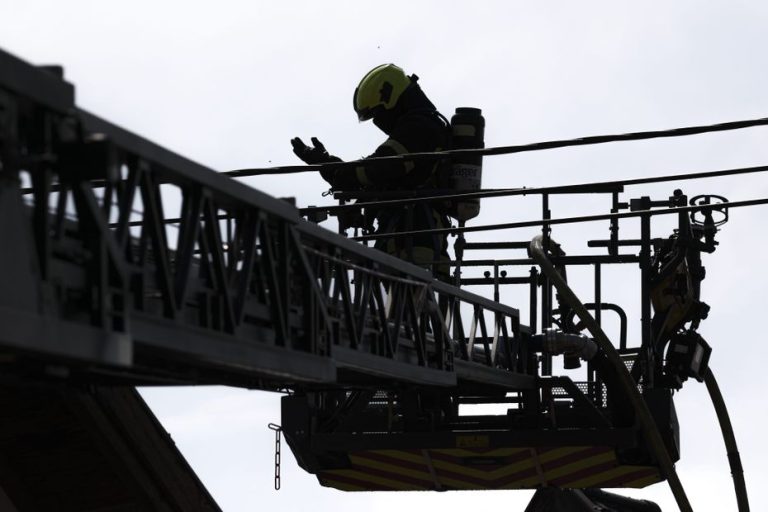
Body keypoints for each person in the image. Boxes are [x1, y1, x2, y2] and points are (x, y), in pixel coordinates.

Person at [290, 64, 451, 280]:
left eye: (377, 114)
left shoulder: (419, 128)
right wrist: (326, 164)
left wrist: (332, 168)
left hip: (416, 240)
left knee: (411, 306)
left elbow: (375, 170)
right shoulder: (420, 125)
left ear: (389, 98)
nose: (377, 121)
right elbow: (375, 178)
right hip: (406, 238)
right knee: (400, 306)